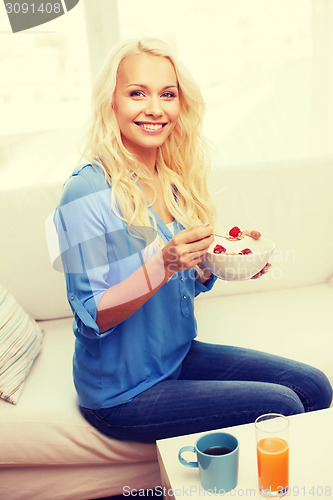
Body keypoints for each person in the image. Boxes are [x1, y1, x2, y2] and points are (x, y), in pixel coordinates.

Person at [54, 38, 332, 444]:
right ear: (110, 102)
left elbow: (181, 283)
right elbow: (92, 316)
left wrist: (226, 257)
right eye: (137, 93)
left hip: (177, 358)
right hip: (122, 395)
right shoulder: (85, 192)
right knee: (284, 406)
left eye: (168, 94)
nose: (155, 108)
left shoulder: (171, 179)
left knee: (315, 386)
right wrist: (163, 264)